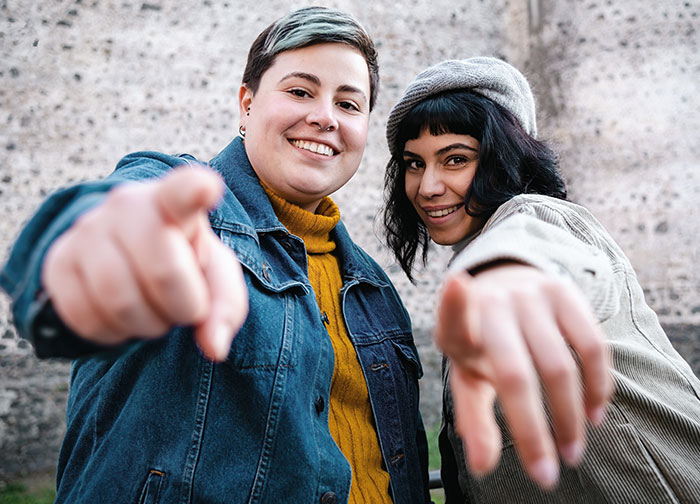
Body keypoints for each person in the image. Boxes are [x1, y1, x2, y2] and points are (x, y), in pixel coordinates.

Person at [0, 8, 430, 503]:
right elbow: (98, 235)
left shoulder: (373, 289)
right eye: (299, 92)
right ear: (246, 105)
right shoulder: (184, 206)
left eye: (349, 104)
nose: (325, 117)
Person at [382, 57, 700, 502]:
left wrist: (509, 275)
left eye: (456, 159)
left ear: (504, 158)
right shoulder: (469, 262)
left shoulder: (539, 217)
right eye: (414, 163)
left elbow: (541, 251)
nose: (427, 186)